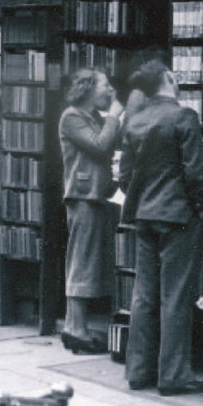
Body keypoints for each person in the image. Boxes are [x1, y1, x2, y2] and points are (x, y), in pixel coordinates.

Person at [119, 53, 203, 396]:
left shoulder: (134, 121)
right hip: (178, 217)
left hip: (144, 216)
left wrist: (143, 199)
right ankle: (173, 375)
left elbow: (125, 176)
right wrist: (199, 209)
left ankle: (138, 371)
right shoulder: (184, 116)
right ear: (170, 79)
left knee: (144, 294)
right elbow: (196, 173)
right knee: (175, 296)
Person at [58, 68, 124, 354]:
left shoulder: (91, 117)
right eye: (105, 85)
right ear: (87, 88)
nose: (110, 90)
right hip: (84, 196)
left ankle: (78, 328)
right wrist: (114, 115)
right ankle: (74, 328)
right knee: (81, 262)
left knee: (88, 261)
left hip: (97, 195)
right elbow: (100, 145)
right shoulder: (72, 116)